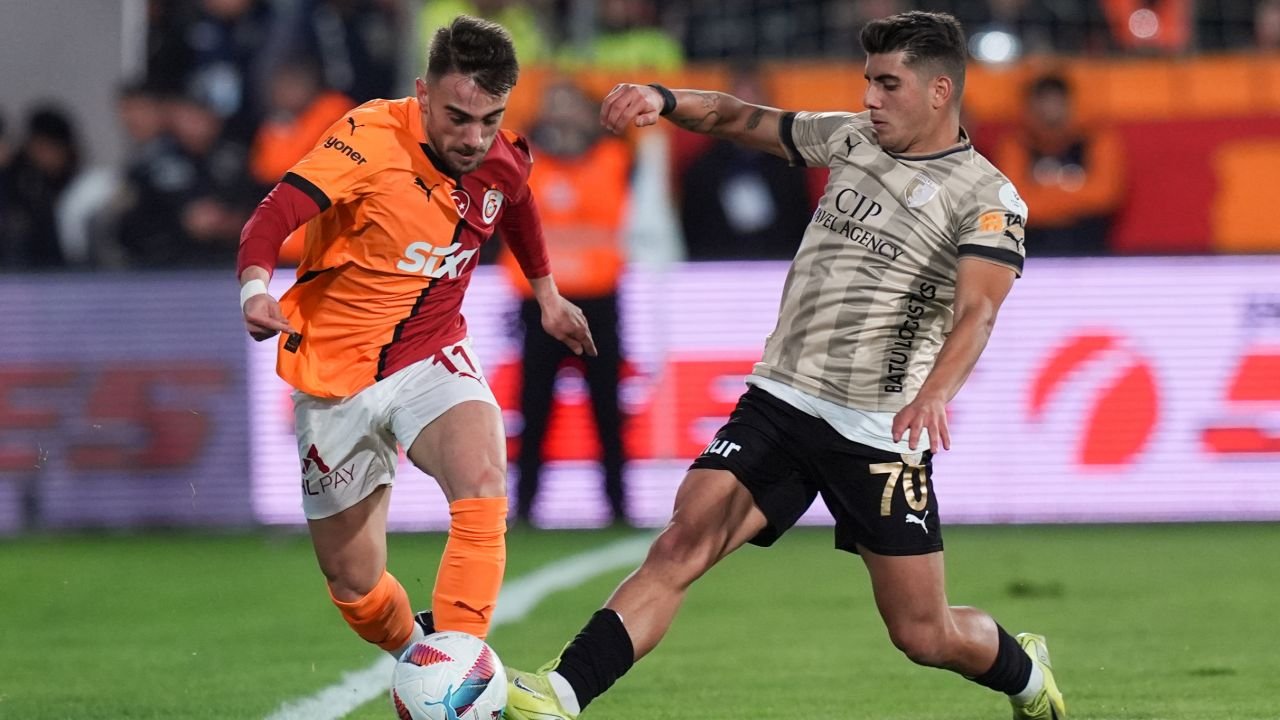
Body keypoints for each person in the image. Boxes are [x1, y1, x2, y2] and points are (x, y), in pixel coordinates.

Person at [504, 11, 1065, 720]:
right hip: (781, 397)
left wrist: (935, 393)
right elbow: (738, 118)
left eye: (888, 84)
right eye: (868, 81)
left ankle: (1024, 672)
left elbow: (978, 312)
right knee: (681, 545)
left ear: (939, 90)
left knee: (924, 634)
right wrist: (664, 99)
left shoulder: (987, 197)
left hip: (876, 429)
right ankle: (560, 695)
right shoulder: (851, 139)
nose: (870, 98)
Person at [235, 15, 595, 658]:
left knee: (482, 479)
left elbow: (517, 202)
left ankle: (456, 665)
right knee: (354, 583)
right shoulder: (368, 139)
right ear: (423, 93)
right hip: (335, 374)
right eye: (458, 117)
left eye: (490, 119)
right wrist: (255, 289)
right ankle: (419, 656)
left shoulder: (501, 155)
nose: (474, 138)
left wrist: (547, 294)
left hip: (432, 353)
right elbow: (274, 213)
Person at [501, 79, 632, 527]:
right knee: (534, 408)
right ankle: (524, 508)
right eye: (553, 104)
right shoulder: (521, 160)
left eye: (570, 104)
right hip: (540, 301)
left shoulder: (615, 158)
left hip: (599, 299)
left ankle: (618, 507)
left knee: (607, 409)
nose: (561, 115)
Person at [993, 72, 1123, 256]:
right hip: (1030, 251)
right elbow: (1013, 204)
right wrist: (1074, 198)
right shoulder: (1014, 145)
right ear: (1029, 106)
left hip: (1090, 249)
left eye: (1056, 101)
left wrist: (1043, 198)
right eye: (1043, 101)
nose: (1050, 109)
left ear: (1070, 103)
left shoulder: (1097, 140)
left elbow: (1104, 196)